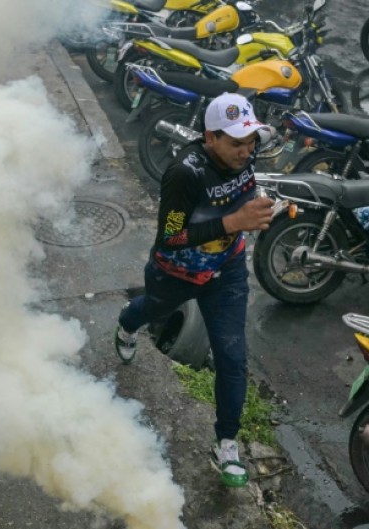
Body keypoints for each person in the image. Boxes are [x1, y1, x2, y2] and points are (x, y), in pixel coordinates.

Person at [113, 92, 275, 488]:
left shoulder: (247, 156)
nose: (246, 150)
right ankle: (125, 325)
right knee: (150, 309)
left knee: (232, 356)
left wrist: (264, 210)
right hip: (176, 273)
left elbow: (245, 196)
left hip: (228, 271)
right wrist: (234, 221)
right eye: (236, 142)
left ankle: (226, 443)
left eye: (251, 140)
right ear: (210, 138)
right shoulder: (184, 173)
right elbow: (170, 237)